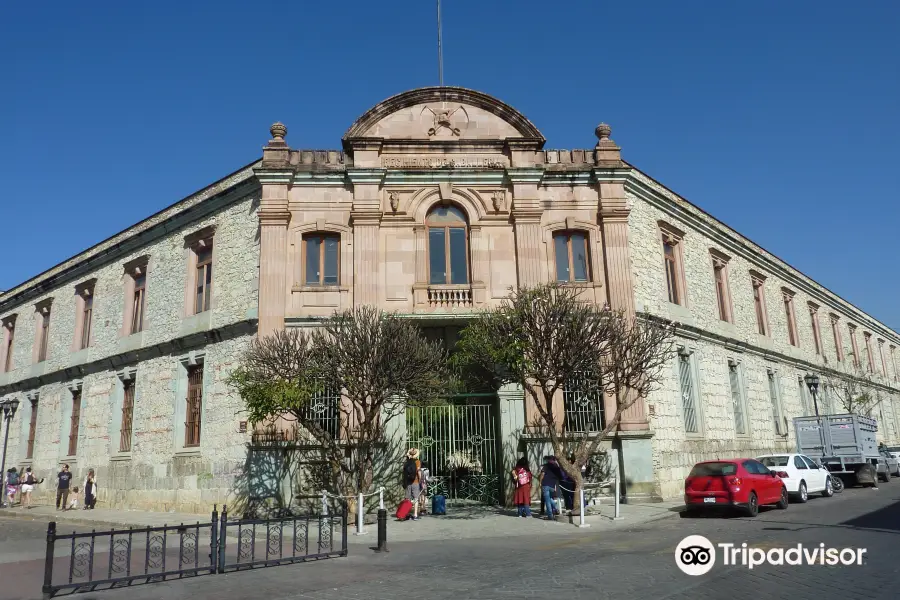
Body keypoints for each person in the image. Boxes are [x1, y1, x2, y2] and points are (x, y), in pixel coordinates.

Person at [539, 456, 562, 521]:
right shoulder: (557, 467)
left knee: (547, 501)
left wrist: (540, 482)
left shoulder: (546, 466)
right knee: (550, 499)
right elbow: (559, 476)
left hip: (545, 484)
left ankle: (550, 516)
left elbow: (542, 474)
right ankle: (556, 509)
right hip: (552, 484)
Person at [402, 448, 422, 521]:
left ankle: (407, 514)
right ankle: (415, 515)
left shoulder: (406, 462)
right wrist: (420, 480)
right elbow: (419, 471)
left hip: (408, 483)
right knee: (416, 498)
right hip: (415, 482)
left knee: (408, 499)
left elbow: (403, 472)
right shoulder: (417, 462)